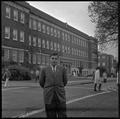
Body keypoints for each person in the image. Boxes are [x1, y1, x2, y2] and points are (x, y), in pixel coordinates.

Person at [39, 52, 68, 118]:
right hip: (49, 96)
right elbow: (41, 82)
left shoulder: (62, 69)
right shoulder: (44, 69)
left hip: (60, 96)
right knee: (50, 115)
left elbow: (65, 81)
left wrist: (59, 87)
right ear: (50, 59)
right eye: (52, 58)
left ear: (58, 60)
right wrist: (48, 88)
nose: (54, 60)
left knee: (62, 115)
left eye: (56, 59)